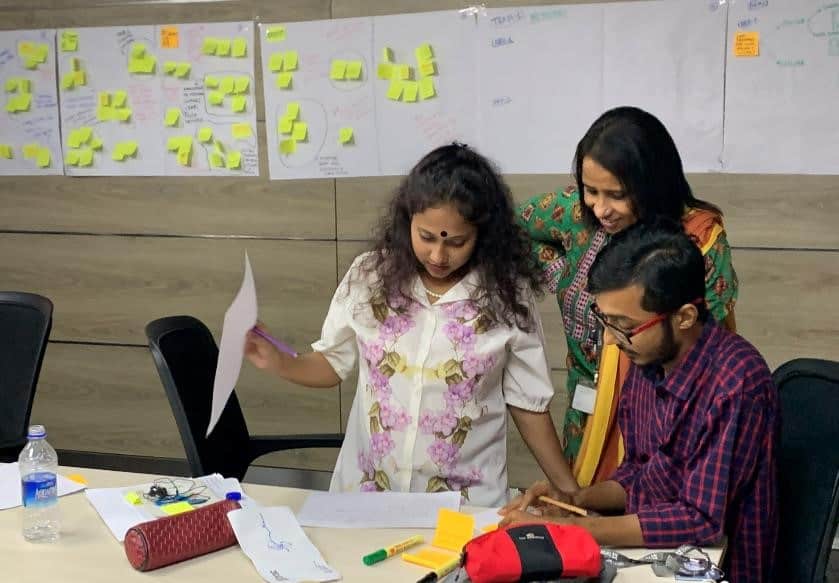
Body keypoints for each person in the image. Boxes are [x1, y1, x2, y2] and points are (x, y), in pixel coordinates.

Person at [245, 143, 576, 506]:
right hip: (367, 498)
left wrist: (571, 492)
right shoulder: (371, 276)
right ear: (407, 224)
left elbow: (527, 402)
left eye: (457, 242)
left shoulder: (505, 297)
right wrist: (280, 362)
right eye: (426, 237)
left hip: (465, 507)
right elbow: (331, 365)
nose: (438, 255)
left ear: (483, 235)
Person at [499, 222, 778, 583]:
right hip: (654, 557)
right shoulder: (649, 360)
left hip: (716, 568)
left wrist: (564, 528)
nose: (613, 341)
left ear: (684, 317)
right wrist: (577, 500)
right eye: (606, 321)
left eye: (624, 325)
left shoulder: (735, 383)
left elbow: (700, 520)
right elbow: (638, 475)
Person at [517, 106, 738, 486]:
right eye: (591, 191)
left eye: (617, 195)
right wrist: (556, 266)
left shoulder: (698, 239)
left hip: (665, 425)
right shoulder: (573, 215)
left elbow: (714, 353)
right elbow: (502, 227)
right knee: (584, 530)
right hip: (585, 421)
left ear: (652, 184)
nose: (601, 209)